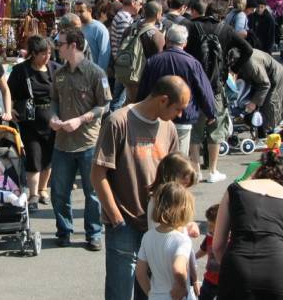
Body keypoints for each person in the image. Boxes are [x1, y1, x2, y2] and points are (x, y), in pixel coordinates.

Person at [91, 75, 187, 299]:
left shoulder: (169, 128)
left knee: (151, 291)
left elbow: (174, 179)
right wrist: (116, 218)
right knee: (121, 291)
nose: (180, 114)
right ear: (163, 100)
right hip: (124, 224)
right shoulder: (118, 121)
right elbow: (98, 174)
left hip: (157, 225)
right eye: (178, 108)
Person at [213, 151, 283, 299]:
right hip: (277, 271)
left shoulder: (234, 190)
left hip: (236, 266)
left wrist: (232, 268)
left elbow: (217, 246)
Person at [50, 28, 112, 251]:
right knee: (59, 191)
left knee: (92, 192)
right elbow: (53, 101)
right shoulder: (59, 74)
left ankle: (94, 233)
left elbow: (104, 105)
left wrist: (82, 119)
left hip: (88, 142)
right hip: (62, 143)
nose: (58, 48)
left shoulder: (96, 73)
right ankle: (64, 231)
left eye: (61, 44)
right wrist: (54, 117)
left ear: (73, 46)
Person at [179, 0, 252, 183]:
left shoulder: (191, 26)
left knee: (195, 129)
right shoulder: (225, 29)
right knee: (216, 129)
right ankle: (212, 170)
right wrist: (233, 65)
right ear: (221, 14)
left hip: (193, 86)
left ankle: (195, 169)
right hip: (216, 86)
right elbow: (247, 49)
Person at [137, 25, 216, 157]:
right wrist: (211, 112)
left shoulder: (153, 61)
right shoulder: (192, 63)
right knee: (178, 159)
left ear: (167, 40)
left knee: (157, 156)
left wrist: (139, 111)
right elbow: (204, 90)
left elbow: (144, 89)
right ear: (185, 43)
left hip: (157, 116)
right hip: (182, 117)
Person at [7, 35, 60, 207]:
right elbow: (9, 92)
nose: (47, 57)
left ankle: (44, 189)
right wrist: (10, 109)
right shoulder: (21, 70)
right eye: (43, 53)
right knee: (33, 155)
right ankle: (33, 193)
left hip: (51, 117)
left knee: (48, 156)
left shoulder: (55, 69)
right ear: (33, 54)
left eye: (49, 53)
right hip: (29, 117)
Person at [135, 182, 196, 300]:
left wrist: (151, 293)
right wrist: (181, 287)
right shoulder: (182, 240)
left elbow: (140, 272)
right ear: (184, 210)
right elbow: (178, 268)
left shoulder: (147, 236)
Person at [229, 49, 283, 137]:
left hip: (274, 78)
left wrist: (254, 103)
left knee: (270, 107)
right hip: (263, 79)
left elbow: (264, 84)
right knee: (260, 107)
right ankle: (264, 133)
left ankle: (268, 136)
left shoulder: (250, 63)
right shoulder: (241, 59)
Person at [75, 0, 111, 71]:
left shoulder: (99, 29)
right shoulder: (77, 27)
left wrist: (98, 74)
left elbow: (104, 54)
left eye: (81, 11)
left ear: (90, 10)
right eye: (76, 11)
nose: (78, 14)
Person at [196, 204, 221, 300]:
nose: (209, 229)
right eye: (208, 225)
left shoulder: (231, 240)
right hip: (209, 279)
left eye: (211, 226)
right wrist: (193, 257)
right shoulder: (209, 236)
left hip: (226, 282)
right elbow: (203, 250)